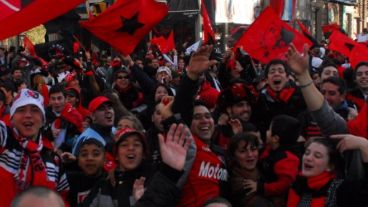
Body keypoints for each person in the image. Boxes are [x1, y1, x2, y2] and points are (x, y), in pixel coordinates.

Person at [0, 89, 69, 207]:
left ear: (43, 120)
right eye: (21, 110)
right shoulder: (4, 138)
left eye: (35, 110)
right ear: (11, 118)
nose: (28, 115)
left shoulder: (53, 160)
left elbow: (62, 198)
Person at [287, 135, 368, 207]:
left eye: (317, 156)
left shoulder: (339, 190)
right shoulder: (298, 184)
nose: (308, 158)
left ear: (330, 166)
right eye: (307, 153)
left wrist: (364, 145)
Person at [228, 133, 273, 207]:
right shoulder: (238, 184)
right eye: (243, 151)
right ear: (234, 156)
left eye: (253, 149)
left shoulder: (266, 168)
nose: (250, 155)